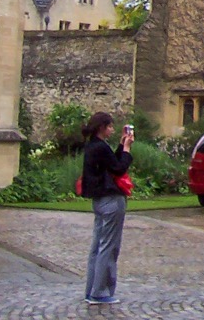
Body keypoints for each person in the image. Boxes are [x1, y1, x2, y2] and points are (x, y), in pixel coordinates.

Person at [80, 111, 133, 305]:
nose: (112, 130)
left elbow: (112, 164)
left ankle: (92, 290)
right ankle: (100, 292)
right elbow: (119, 168)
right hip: (110, 200)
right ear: (102, 127)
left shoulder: (94, 146)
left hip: (99, 200)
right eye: (110, 126)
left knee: (98, 246)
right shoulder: (99, 147)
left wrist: (121, 146)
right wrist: (126, 150)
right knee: (109, 247)